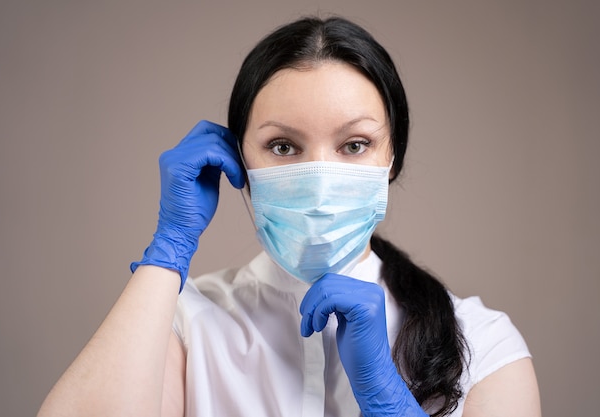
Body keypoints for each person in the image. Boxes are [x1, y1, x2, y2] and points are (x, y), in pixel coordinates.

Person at [37, 16, 541, 417]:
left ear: (392, 159)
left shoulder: (482, 343)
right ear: (240, 162)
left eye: (354, 145)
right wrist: (170, 246)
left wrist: (389, 403)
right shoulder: (182, 324)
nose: (319, 179)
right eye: (283, 145)